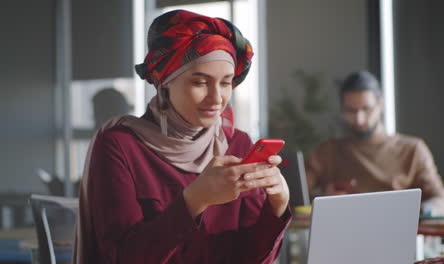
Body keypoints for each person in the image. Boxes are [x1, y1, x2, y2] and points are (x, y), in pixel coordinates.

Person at [73, 10, 291, 264]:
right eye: (200, 82)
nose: (217, 98)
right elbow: (122, 257)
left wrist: (277, 205)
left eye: (226, 83)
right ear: (165, 80)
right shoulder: (119, 144)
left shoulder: (238, 144)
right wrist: (194, 200)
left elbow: (250, 258)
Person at [306, 71, 444, 217]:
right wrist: (322, 200)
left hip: (396, 234)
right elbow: (295, 197)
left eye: (366, 109)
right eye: (350, 111)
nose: (359, 119)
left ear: (381, 104)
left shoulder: (412, 150)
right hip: (342, 235)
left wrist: (418, 211)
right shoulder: (327, 152)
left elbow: (443, 203)